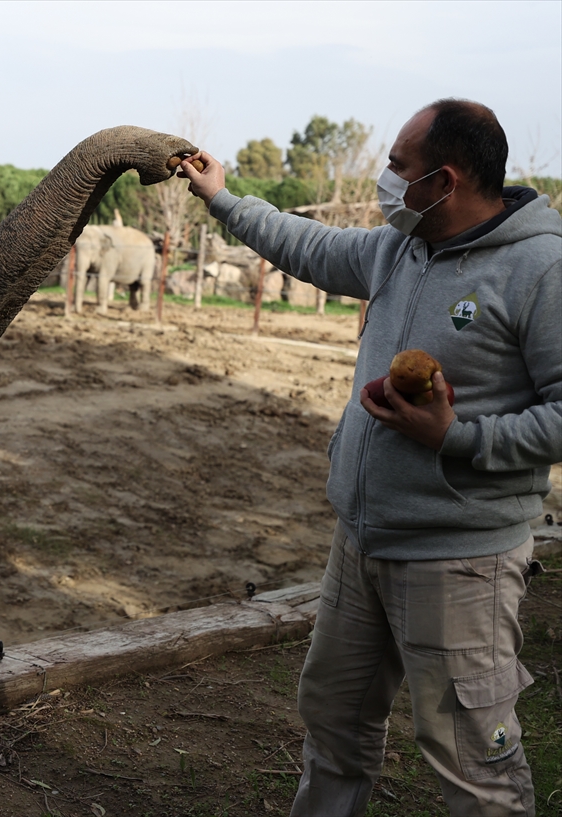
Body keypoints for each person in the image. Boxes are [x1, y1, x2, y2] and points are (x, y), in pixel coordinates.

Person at [181, 99, 561, 816]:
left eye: (396, 166)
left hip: (460, 562)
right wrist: (222, 196)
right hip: (360, 544)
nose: (387, 182)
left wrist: (455, 437)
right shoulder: (400, 247)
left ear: (443, 181)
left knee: (476, 759)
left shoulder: (542, 268)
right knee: (334, 728)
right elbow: (304, 244)